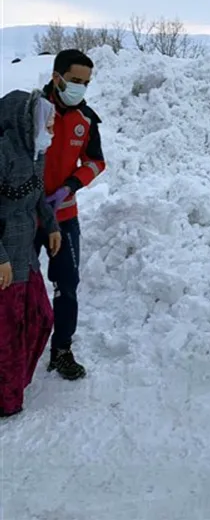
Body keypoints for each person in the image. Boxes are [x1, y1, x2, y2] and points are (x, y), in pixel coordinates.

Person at [35, 49, 106, 380]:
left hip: (64, 215)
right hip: (25, 217)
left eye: (86, 83)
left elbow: (96, 162)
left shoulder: (87, 120)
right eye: (75, 80)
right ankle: (14, 348)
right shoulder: (30, 111)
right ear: (56, 77)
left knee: (67, 283)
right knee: (16, 285)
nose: (80, 87)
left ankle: (61, 349)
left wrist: (70, 186)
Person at [0, 89, 61, 417]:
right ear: (27, 122)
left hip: (26, 253)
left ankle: (14, 382)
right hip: (5, 259)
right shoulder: (3, 151)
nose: (51, 130)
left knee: (40, 318)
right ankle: (6, 400)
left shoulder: (37, 151)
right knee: (6, 333)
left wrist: (51, 226)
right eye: (47, 124)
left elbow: (39, 196)